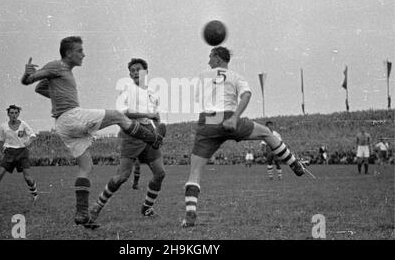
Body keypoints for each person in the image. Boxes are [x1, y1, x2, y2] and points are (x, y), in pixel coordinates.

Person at [20, 36, 166, 229]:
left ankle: (82, 214)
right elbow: (30, 80)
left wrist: (53, 91)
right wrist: (27, 75)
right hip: (73, 117)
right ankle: (153, 139)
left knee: (86, 166)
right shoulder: (58, 66)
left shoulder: (64, 72)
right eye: (80, 50)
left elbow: (40, 88)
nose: (83, 54)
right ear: (69, 52)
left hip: (64, 124)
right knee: (117, 116)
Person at [182, 46, 305, 228]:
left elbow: (198, 97)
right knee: (266, 133)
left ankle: (190, 213)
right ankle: (294, 163)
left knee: (195, 171)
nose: (208, 61)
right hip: (230, 117)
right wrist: (234, 118)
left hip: (208, 121)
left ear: (217, 58)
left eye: (210, 57)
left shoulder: (202, 76)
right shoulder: (237, 76)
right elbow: (246, 95)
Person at [89, 58, 166, 221]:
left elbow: (157, 116)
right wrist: (147, 114)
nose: (135, 72)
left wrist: (159, 132)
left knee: (160, 173)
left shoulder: (153, 94)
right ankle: (98, 205)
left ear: (146, 71)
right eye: (132, 70)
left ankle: (147, 208)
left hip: (149, 133)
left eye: (138, 69)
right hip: (132, 133)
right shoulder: (126, 91)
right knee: (123, 176)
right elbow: (123, 113)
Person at [0, 105, 38, 204]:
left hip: (22, 152)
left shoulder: (23, 124)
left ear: (18, 114)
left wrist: (29, 141)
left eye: (16, 113)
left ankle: (35, 196)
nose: (14, 115)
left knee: (28, 178)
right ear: (8, 114)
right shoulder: (3, 126)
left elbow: (33, 135)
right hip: (9, 153)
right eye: (12, 113)